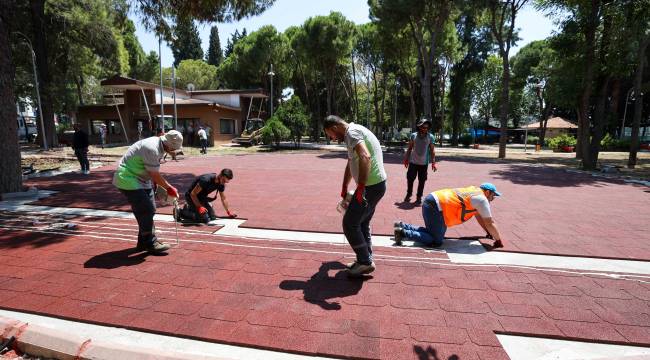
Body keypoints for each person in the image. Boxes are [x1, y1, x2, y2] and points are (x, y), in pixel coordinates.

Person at [323, 115, 387, 277]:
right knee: (362, 222)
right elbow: (352, 161)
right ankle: (365, 259)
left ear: (335, 127)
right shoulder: (353, 132)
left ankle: (365, 261)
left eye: (329, 134)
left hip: (371, 187)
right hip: (376, 185)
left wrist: (360, 187)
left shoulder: (352, 133)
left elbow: (365, 156)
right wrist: (345, 185)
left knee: (350, 224)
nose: (331, 138)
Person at [113, 130, 183, 253]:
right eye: (173, 148)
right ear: (167, 144)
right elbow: (154, 174)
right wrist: (169, 188)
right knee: (146, 209)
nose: (174, 151)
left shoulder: (159, 146)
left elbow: (152, 172)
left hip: (141, 179)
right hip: (128, 178)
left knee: (150, 209)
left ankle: (142, 242)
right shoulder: (152, 148)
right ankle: (151, 242)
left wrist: (159, 186)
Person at [394, 183, 505, 249]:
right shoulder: (482, 199)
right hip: (436, 207)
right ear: (487, 192)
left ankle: (402, 225)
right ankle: (403, 232)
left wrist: (488, 232)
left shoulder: (475, 192)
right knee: (436, 240)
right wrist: (498, 240)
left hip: (434, 201)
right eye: (493, 195)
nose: (493, 198)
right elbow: (490, 222)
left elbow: (480, 218)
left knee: (432, 233)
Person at [403, 118, 437, 205]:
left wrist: (433, 162)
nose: (424, 129)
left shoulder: (431, 137)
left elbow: (432, 150)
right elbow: (410, 148)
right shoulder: (413, 135)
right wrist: (406, 159)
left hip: (423, 164)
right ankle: (409, 193)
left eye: (426, 127)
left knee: (422, 181)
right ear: (419, 127)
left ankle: (419, 197)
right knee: (410, 179)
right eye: (423, 127)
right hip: (413, 162)